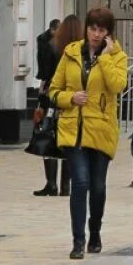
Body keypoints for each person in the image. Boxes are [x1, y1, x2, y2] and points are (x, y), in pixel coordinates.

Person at [49, 8, 127, 260]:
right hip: (73, 129)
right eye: (92, 28)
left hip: (101, 129)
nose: (95, 34)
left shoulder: (117, 56)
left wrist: (104, 57)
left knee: (98, 187)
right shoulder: (71, 53)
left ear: (108, 33)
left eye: (101, 30)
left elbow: (117, 86)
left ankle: (95, 232)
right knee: (80, 182)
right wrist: (70, 97)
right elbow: (53, 90)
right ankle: (77, 240)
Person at [34, 16, 75, 197]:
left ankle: (51, 183)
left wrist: (41, 103)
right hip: (73, 99)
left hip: (52, 98)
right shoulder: (80, 49)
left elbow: (45, 74)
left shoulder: (51, 46)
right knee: (68, 142)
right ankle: (66, 185)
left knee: (49, 136)